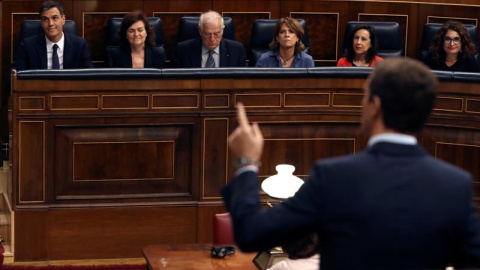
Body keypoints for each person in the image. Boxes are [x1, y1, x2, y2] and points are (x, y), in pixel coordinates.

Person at [223, 58, 480, 270]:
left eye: (365, 96)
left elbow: (251, 233)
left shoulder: (334, 177)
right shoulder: (455, 185)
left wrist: (246, 163)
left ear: (375, 107)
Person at [15, 1, 93, 70]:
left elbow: (89, 77)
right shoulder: (27, 46)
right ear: (41, 23)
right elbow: (17, 77)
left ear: (63, 19)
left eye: (55, 18)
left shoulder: (79, 45)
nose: (50, 24)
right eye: (45, 19)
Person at [172, 10, 247, 68]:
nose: (212, 39)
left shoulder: (237, 50)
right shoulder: (183, 50)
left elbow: (243, 81)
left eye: (216, 34)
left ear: (222, 31)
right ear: (200, 31)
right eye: (207, 34)